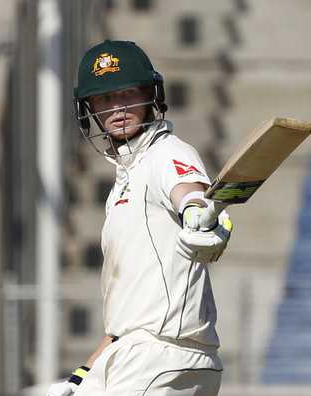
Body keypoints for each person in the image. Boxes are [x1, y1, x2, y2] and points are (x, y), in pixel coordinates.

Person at [46, 40, 232, 396]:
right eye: (104, 99)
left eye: (128, 93)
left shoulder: (167, 152)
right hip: (132, 352)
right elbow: (126, 319)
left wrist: (197, 214)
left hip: (163, 356)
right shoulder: (123, 180)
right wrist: (84, 374)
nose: (117, 108)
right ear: (91, 110)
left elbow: (188, 190)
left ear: (151, 96)